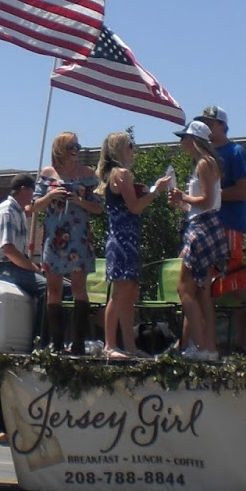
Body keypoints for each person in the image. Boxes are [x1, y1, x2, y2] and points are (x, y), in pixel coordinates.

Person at [97, 131, 171, 359]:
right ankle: (110, 345)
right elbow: (135, 208)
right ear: (120, 148)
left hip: (124, 239)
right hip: (122, 240)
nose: (133, 149)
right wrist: (156, 190)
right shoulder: (122, 174)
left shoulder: (115, 174)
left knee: (129, 293)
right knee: (120, 294)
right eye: (130, 145)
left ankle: (128, 345)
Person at [34, 133, 101, 352]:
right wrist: (50, 197)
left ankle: (79, 342)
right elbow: (34, 206)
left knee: (79, 287)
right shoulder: (47, 173)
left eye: (78, 145)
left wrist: (80, 201)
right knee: (53, 288)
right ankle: (57, 342)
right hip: (54, 237)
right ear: (60, 148)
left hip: (78, 237)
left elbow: (99, 208)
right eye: (72, 145)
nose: (77, 149)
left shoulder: (88, 174)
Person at [166, 120, 227, 361]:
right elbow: (200, 203)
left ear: (194, 140)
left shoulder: (204, 163)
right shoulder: (205, 163)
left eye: (185, 137)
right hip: (205, 224)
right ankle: (208, 347)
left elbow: (206, 200)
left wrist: (184, 197)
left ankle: (202, 346)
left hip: (203, 227)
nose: (182, 142)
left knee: (185, 287)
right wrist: (181, 202)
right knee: (202, 292)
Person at [0, 175, 52, 340]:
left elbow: (33, 208)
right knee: (49, 288)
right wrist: (33, 268)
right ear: (24, 190)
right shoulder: (6, 211)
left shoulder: (17, 210)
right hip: (4, 268)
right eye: (32, 192)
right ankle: (40, 340)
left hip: (13, 266)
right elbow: (8, 249)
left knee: (61, 285)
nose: (33, 196)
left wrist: (50, 198)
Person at [198, 106, 246, 305]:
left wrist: (211, 196)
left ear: (222, 125)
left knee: (234, 282)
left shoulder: (235, 151)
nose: (206, 127)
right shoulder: (204, 156)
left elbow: (243, 191)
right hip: (207, 226)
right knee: (204, 283)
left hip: (229, 225)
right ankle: (202, 334)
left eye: (209, 123)